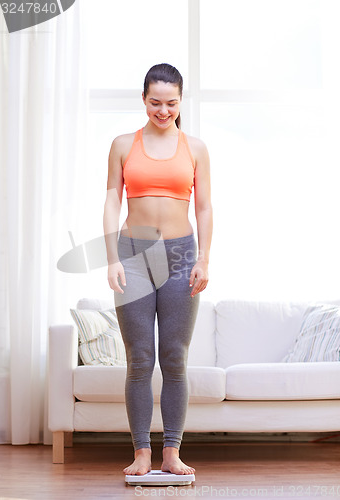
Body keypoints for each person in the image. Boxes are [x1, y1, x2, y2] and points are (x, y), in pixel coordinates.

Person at [103, 63, 213, 476]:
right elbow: (112, 200)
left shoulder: (196, 148)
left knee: (174, 357)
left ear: (181, 101)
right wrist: (112, 258)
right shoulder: (121, 144)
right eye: (155, 102)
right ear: (143, 99)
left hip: (182, 253)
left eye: (171, 103)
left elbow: (203, 206)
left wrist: (204, 258)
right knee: (140, 359)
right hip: (133, 252)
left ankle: (171, 451)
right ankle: (141, 453)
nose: (163, 111)